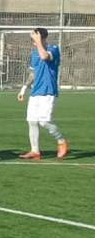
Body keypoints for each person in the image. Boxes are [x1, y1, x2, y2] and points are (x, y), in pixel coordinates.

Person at [18, 28, 69, 160]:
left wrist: (38, 40)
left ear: (43, 38)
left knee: (44, 121)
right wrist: (24, 89)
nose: (33, 42)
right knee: (32, 121)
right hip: (35, 92)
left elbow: (44, 56)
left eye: (35, 39)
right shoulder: (34, 54)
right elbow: (33, 74)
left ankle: (61, 141)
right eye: (32, 40)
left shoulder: (53, 49)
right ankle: (35, 151)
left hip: (48, 91)